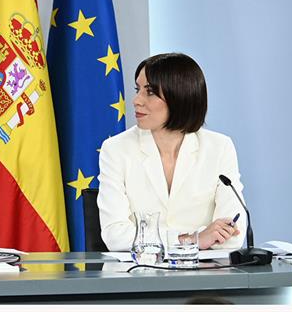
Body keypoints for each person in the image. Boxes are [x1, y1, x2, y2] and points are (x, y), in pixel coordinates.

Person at [97, 52, 244, 251]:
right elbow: (115, 236)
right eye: (137, 89)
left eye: (149, 92)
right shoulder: (116, 149)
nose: (136, 100)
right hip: (139, 273)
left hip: (205, 277)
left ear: (180, 97)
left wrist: (158, 240)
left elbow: (233, 235)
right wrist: (192, 239)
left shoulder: (219, 147)